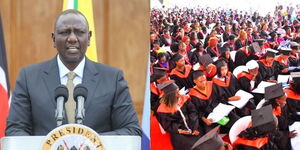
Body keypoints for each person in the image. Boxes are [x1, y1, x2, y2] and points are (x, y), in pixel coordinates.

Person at [6, 10, 141, 136]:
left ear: (89, 38)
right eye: (65, 32)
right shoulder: (28, 78)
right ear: (53, 39)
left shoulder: (112, 78)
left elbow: (130, 130)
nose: (72, 38)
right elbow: (15, 130)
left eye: (79, 32)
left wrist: (88, 142)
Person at [156, 80, 201, 150]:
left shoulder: (184, 98)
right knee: (185, 145)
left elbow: (193, 111)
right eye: (176, 93)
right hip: (178, 131)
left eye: (178, 91)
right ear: (170, 96)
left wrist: (194, 126)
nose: (179, 94)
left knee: (200, 142)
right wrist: (180, 130)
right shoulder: (163, 110)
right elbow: (167, 126)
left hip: (192, 124)